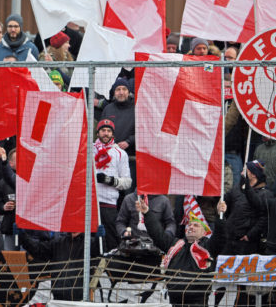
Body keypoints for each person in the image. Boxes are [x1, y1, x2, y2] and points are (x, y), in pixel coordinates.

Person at [139, 196, 227, 306]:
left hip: (198, 302)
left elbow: (221, 236)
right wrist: (147, 213)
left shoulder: (209, 247)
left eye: (196, 225)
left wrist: (220, 216)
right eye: (189, 225)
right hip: (174, 301)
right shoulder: (175, 244)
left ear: (204, 232)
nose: (191, 227)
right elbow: (158, 234)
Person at [94, 119, 131, 250]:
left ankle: (108, 268)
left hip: (108, 203)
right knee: (91, 240)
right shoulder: (88, 150)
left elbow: (127, 182)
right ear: (97, 133)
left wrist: (110, 180)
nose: (106, 133)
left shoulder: (120, 154)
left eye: (109, 131)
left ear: (113, 134)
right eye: (103, 130)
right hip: (90, 204)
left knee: (111, 240)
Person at [224, 160, 274, 255]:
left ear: (254, 174)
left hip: (246, 242)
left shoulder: (266, 195)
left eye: (245, 170)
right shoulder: (237, 189)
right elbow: (226, 204)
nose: (241, 173)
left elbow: (264, 219)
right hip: (230, 238)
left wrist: (249, 235)